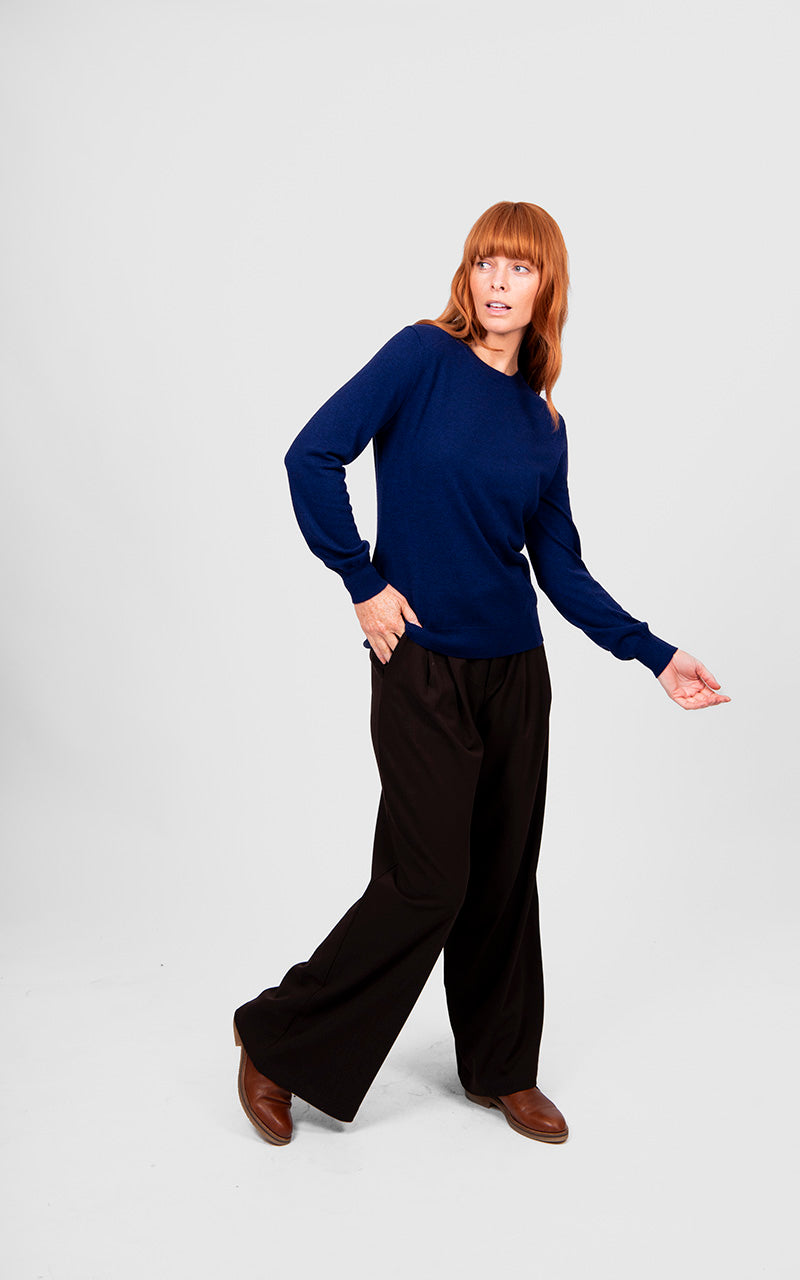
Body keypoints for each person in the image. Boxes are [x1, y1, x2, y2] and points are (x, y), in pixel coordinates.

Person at [232, 200, 731, 1147]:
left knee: (502, 877)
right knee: (426, 883)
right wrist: (362, 581)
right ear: (467, 276)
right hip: (420, 662)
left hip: (516, 673)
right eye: (485, 262)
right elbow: (312, 455)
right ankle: (275, 1040)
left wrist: (655, 653)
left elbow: (560, 566)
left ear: (547, 288)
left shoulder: (544, 422)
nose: (499, 281)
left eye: (520, 267)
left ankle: (500, 1067)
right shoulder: (421, 357)